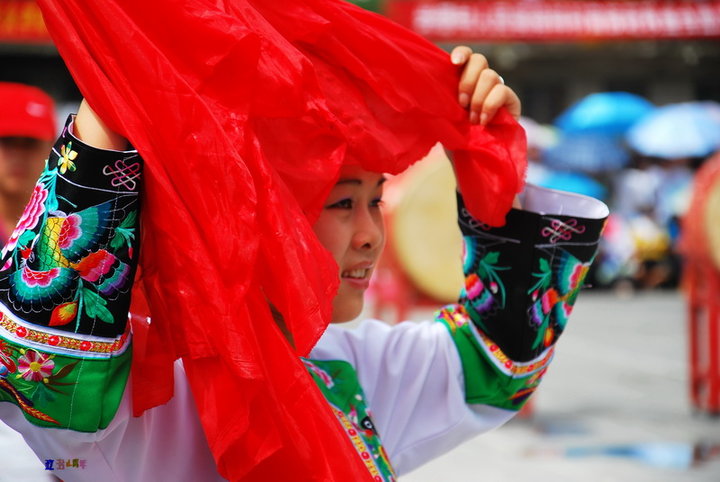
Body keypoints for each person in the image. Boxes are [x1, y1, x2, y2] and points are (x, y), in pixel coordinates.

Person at [0, 41, 608, 480]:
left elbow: (499, 359)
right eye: (342, 201)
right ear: (250, 213)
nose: (371, 235)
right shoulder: (142, 392)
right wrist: (114, 104)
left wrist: (485, 153)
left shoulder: (353, 371)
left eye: (376, 199)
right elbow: (42, 378)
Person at [0, 82, 57, 249]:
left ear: (52, 148)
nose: (19, 156)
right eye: (7, 141)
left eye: (29, 143)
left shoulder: (67, 225)